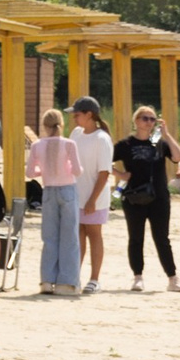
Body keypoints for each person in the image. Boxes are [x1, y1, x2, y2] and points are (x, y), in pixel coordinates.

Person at [115, 106, 180, 292]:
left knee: (162, 238)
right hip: (134, 197)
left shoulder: (159, 143)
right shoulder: (126, 144)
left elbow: (178, 157)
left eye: (152, 119)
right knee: (136, 238)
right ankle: (138, 277)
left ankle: (173, 278)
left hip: (159, 197)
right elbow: (104, 160)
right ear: (136, 121)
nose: (149, 122)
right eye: (145, 118)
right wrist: (120, 175)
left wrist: (167, 135)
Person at [26, 108, 82, 294]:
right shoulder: (69, 144)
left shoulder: (37, 145)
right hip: (67, 189)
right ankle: (67, 282)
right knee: (69, 237)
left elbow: (30, 173)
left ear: (44, 125)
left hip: (48, 190)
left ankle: (47, 280)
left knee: (50, 237)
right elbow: (77, 171)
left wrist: (44, 170)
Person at [70, 95, 114, 294]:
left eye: (77, 115)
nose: (74, 119)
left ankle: (95, 278)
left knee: (94, 235)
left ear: (89, 115)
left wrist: (92, 200)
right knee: (78, 235)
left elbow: (104, 173)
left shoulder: (102, 139)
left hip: (94, 197)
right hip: (76, 194)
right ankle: (74, 275)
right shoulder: (76, 134)